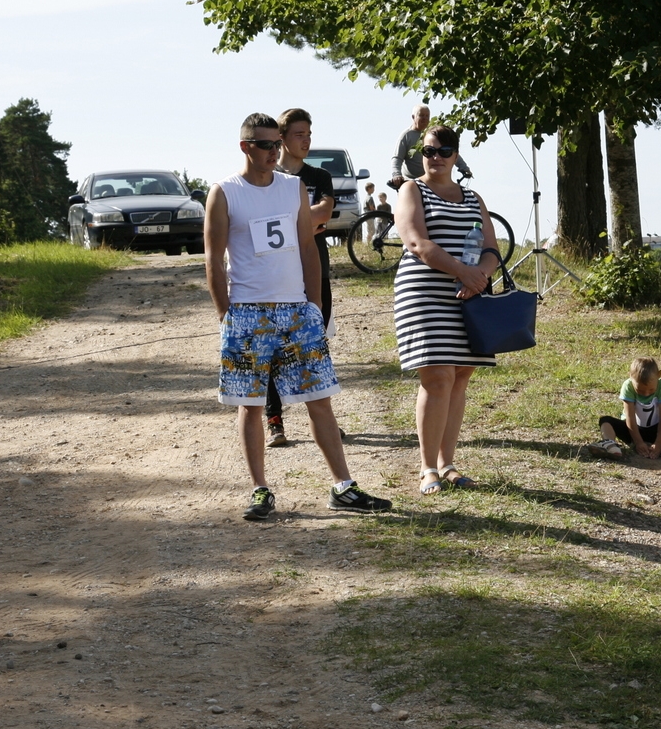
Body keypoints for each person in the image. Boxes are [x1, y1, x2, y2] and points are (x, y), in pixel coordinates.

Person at [204, 112, 392, 520]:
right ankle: (260, 489)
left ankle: (343, 486)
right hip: (247, 312)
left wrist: (314, 305)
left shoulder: (293, 188)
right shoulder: (224, 192)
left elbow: (308, 248)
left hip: (296, 310)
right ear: (245, 147)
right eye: (265, 145)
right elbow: (213, 260)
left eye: (277, 144)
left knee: (319, 400)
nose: (274, 152)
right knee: (250, 404)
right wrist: (225, 314)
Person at [392, 124, 499, 494]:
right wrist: (464, 273)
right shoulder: (412, 189)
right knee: (437, 377)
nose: (435, 157)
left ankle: (447, 462)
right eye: (428, 150)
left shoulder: (473, 198)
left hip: (469, 296)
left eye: (443, 150)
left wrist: (479, 277)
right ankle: (427, 469)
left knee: (461, 376)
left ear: (456, 155)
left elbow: (491, 249)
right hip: (425, 294)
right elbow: (416, 242)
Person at [265, 108, 336, 448]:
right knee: (273, 343)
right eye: (299, 134)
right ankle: (274, 419)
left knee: (314, 341)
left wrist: (287, 222)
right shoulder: (268, 176)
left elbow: (325, 213)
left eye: (309, 134)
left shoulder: (319, 176)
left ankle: (321, 421)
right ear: (281, 138)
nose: (306, 140)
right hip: (278, 268)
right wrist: (306, 223)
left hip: (313, 264)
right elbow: (269, 221)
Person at [389, 104, 472, 187]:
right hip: (413, 181)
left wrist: (464, 168)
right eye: (421, 115)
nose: (424, 118)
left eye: (427, 116)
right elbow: (397, 158)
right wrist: (396, 175)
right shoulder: (406, 136)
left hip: (433, 181)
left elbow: (448, 151)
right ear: (413, 117)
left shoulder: (433, 135)